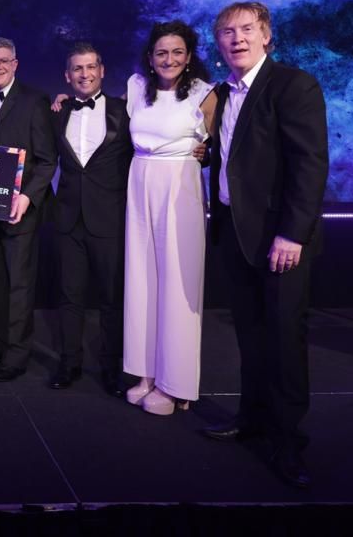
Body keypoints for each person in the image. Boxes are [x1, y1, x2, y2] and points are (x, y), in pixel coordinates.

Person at [203, 2, 328, 489]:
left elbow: (309, 164)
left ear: (266, 36)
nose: (237, 39)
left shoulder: (293, 86)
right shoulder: (222, 93)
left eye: (247, 30)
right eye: (227, 32)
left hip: (280, 240)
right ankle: (252, 420)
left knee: (283, 340)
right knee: (251, 337)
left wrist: (292, 233)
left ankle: (288, 443)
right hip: (235, 234)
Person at [122, 21, 216, 416]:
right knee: (141, 280)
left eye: (177, 52)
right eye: (161, 52)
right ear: (150, 57)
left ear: (189, 56)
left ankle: (176, 384)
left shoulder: (204, 93)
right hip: (140, 180)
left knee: (178, 282)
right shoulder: (135, 88)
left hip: (180, 186)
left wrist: (206, 154)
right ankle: (146, 373)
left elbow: (220, 146)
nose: (169, 59)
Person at [0, 37, 57, 382]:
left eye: (4, 60)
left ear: (15, 64)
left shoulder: (34, 101)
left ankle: (16, 357)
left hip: (20, 212)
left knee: (19, 285)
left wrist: (27, 197)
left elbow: (47, 160)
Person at [48, 43, 133, 395]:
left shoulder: (125, 111)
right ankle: (69, 364)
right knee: (69, 297)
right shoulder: (57, 112)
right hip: (68, 218)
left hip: (110, 218)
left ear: (102, 70)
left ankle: (111, 368)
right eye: (77, 69)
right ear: (67, 76)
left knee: (111, 299)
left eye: (90, 67)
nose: (85, 74)